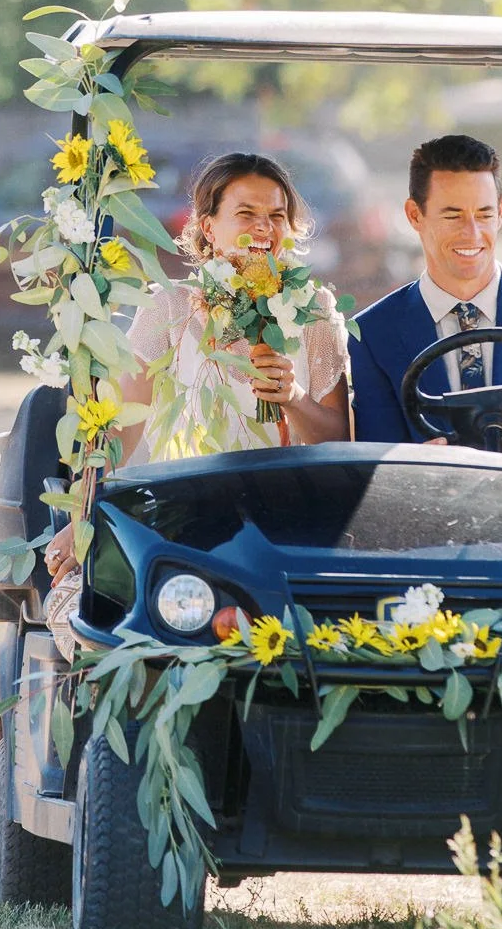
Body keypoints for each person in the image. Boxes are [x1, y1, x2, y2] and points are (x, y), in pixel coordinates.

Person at [44, 151, 351, 647]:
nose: (264, 228)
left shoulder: (314, 312)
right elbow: (119, 429)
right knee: (90, 622)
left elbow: (340, 441)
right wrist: (83, 523)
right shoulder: (169, 308)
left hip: (292, 523)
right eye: (246, 214)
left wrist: (292, 396)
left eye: (276, 215)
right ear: (208, 227)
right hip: (187, 518)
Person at [348, 134, 502, 463]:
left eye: (483, 214)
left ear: (500, 211)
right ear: (415, 215)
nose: (471, 233)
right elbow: (376, 463)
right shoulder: (372, 333)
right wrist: (411, 465)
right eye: (453, 216)